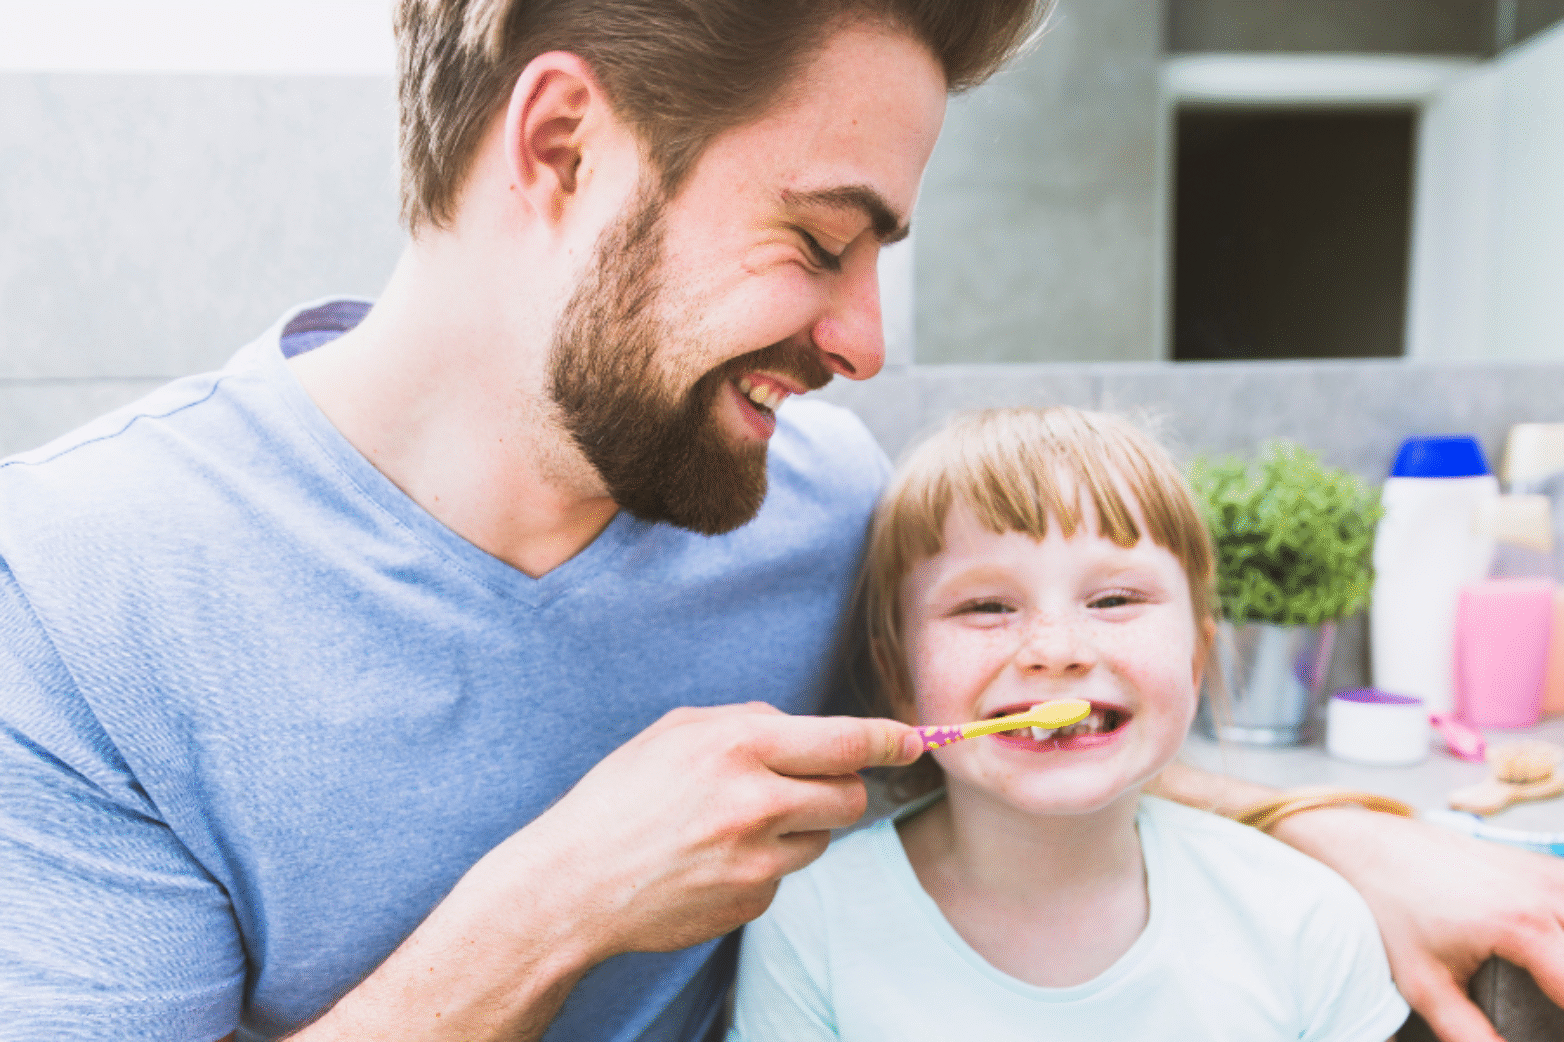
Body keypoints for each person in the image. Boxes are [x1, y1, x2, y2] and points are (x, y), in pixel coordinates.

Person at [0, 2, 1561, 1041]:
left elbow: (1040, 726)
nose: (866, 343)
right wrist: (552, 909)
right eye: (821, 240)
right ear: (562, 145)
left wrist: (1342, 833)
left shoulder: (820, 505)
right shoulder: (76, 600)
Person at [727, 407, 1410, 1040]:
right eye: (987, 606)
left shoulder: (1303, 920)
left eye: (1114, 598)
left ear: (1196, 660)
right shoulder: (812, 923)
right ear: (901, 681)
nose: (1056, 651)